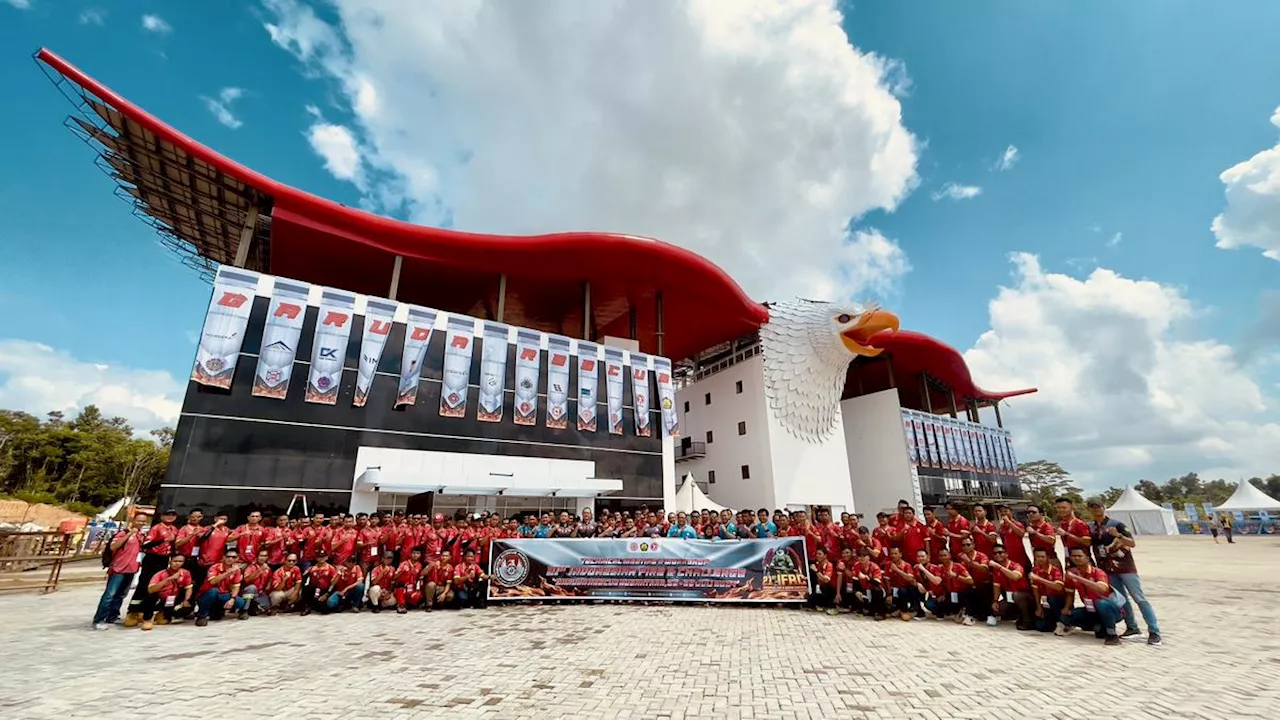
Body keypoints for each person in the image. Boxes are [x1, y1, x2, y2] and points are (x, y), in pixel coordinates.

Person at [1086, 500, 1162, 645]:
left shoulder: (1117, 524)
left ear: (1104, 507)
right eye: (1092, 507)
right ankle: (1132, 627)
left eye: (1098, 506)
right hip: (1107, 568)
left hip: (1125, 567)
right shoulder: (1091, 527)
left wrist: (1118, 536)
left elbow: (1132, 543)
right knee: (1121, 599)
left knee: (1139, 598)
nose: (1096, 510)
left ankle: (1154, 631)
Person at [1058, 546, 1125, 645]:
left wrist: (1079, 578)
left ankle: (1112, 634)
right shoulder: (1071, 573)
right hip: (1091, 610)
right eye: (1074, 556)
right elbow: (1069, 593)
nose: (1076, 558)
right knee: (1067, 616)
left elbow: (1102, 589)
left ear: (1087, 558)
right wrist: (1067, 608)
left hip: (1110, 609)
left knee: (1101, 604)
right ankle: (1098, 626)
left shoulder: (1098, 572)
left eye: (1079, 556)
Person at [92, 512, 148, 630]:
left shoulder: (141, 535)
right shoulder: (123, 533)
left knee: (121, 594)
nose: (141, 523)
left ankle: (112, 615)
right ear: (133, 520)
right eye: (139, 520)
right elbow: (113, 547)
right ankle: (99, 619)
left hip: (132, 569)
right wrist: (128, 535)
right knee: (110, 594)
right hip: (119, 568)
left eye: (143, 521)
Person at [123, 508, 179, 627]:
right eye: (167, 514)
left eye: (172, 515)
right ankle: (133, 612)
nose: (170, 517)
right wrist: (162, 540)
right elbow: (146, 545)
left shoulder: (174, 529)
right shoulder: (156, 528)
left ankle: (149, 612)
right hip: (152, 558)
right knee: (144, 585)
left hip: (164, 559)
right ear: (161, 516)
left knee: (159, 586)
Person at [140, 554, 194, 630]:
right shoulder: (161, 574)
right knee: (150, 598)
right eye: (175, 561)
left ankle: (163, 614)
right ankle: (147, 619)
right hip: (160, 597)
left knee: (185, 608)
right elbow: (150, 590)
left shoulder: (186, 573)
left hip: (173, 599)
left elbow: (189, 588)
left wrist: (186, 600)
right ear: (170, 562)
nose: (177, 563)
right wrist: (168, 579)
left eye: (180, 561)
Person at [988, 543, 1034, 631]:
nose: (998, 555)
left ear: (1006, 554)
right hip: (1009, 597)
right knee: (997, 610)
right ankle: (1016, 615)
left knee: (1017, 595)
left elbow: (1015, 577)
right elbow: (996, 587)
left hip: (1024, 595)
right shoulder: (996, 570)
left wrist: (1000, 567)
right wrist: (995, 601)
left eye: (1000, 552)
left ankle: (1027, 621)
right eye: (995, 553)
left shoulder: (1016, 565)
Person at [194, 548, 245, 627]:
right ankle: (201, 616)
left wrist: (232, 599)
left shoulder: (237, 570)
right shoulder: (215, 567)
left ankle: (218, 611)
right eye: (228, 556)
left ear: (238, 558)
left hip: (223, 595)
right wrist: (228, 573)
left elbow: (236, 586)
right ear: (224, 557)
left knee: (240, 602)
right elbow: (213, 581)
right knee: (213, 591)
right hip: (207, 595)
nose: (230, 559)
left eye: (234, 557)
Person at [1028, 547, 1067, 632]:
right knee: (1039, 626)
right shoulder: (1035, 570)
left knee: (1052, 599)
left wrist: (1039, 579)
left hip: (1058, 602)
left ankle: (1063, 623)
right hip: (1045, 603)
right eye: (1037, 557)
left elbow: (1058, 586)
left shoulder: (1055, 570)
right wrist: (1039, 607)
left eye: (1042, 557)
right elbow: (1035, 590)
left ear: (1047, 558)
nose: (1040, 559)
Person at [884, 546, 921, 621]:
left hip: (905, 590)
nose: (893, 555)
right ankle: (897, 609)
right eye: (892, 554)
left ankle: (904, 611)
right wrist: (889, 594)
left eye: (895, 553)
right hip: (893, 590)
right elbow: (887, 580)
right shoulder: (888, 564)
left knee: (902, 591)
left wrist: (897, 570)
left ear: (900, 554)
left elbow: (910, 579)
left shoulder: (907, 565)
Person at [1055, 497, 1092, 566]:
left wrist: (1066, 534)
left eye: (1064, 507)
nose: (1061, 510)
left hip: (1082, 561)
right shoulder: (1062, 524)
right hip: (1070, 560)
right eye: (1058, 508)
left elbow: (1087, 542)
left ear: (1072, 507)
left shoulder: (1080, 524)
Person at [300, 551, 338, 616]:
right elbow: (304, 577)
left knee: (324, 610)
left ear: (326, 557)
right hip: (314, 589)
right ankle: (307, 606)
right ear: (316, 558)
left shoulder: (331, 568)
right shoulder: (312, 568)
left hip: (325, 590)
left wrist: (327, 594)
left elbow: (333, 584)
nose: (321, 559)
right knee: (306, 588)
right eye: (319, 557)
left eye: (323, 557)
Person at [239, 549, 273, 617]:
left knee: (267, 608)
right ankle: (244, 610)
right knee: (252, 588)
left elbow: (270, 578)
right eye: (261, 556)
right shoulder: (250, 567)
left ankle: (255, 608)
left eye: (265, 556)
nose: (263, 558)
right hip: (247, 593)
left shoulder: (268, 568)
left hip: (259, 593)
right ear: (257, 557)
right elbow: (247, 579)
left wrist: (268, 586)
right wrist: (259, 570)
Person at [394, 547, 425, 613]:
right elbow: (394, 577)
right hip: (403, 588)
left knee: (418, 595)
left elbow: (420, 578)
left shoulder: (419, 565)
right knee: (400, 589)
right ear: (410, 554)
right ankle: (401, 606)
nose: (415, 555)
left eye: (417, 553)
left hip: (412, 589)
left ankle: (408, 604)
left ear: (420, 555)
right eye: (413, 553)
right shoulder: (403, 563)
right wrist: (401, 571)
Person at [808, 547, 836, 612]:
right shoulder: (817, 564)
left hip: (830, 589)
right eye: (817, 554)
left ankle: (832, 605)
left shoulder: (829, 565)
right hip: (820, 588)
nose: (817, 555)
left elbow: (826, 580)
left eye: (819, 554)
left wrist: (816, 571)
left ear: (825, 555)